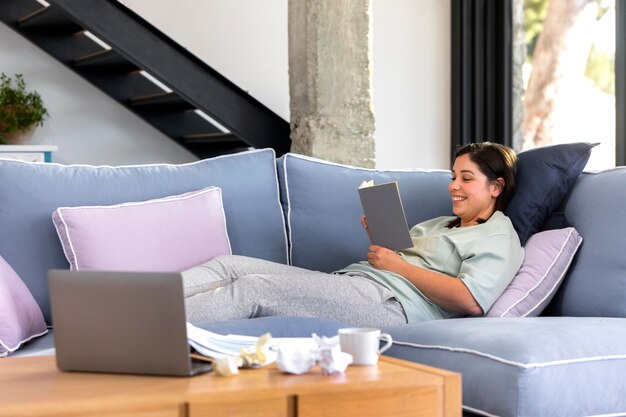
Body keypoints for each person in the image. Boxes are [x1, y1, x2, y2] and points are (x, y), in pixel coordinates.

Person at [184, 142, 525, 328]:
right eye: (453, 176)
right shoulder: (442, 223)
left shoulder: (498, 236)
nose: (453, 186)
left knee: (254, 288)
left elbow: (471, 300)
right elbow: (400, 259)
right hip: (360, 282)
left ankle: (146, 331)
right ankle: (138, 305)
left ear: (496, 187)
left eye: (466, 179)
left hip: (394, 306)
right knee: (229, 265)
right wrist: (384, 240)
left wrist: (397, 266)